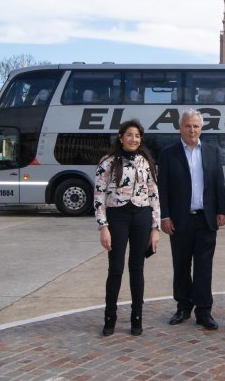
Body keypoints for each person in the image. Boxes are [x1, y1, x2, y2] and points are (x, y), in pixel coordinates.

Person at [158, 110, 225, 330]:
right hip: (179, 220)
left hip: (206, 220)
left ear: (201, 128)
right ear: (180, 128)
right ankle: (183, 307)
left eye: (196, 126)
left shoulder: (211, 151)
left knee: (204, 267)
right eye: (188, 126)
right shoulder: (169, 154)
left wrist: (221, 210)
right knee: (181, 266)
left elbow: (218, 182)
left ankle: (204, 311)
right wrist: (165, 215)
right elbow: (163, 188)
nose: (192, 130)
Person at [94, 119, 160, 337]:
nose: (134, 139)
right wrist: (103, 226)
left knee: (137, 268)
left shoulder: (145, 161)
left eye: (138, 136)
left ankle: (136, 317)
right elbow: (99, 196)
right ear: (120, 137)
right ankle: (110, 317)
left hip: (141, 216)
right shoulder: (108, 162)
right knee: (115, 269)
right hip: (117, 216)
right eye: (130, 135)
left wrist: (155, 228)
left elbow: (153, 195)